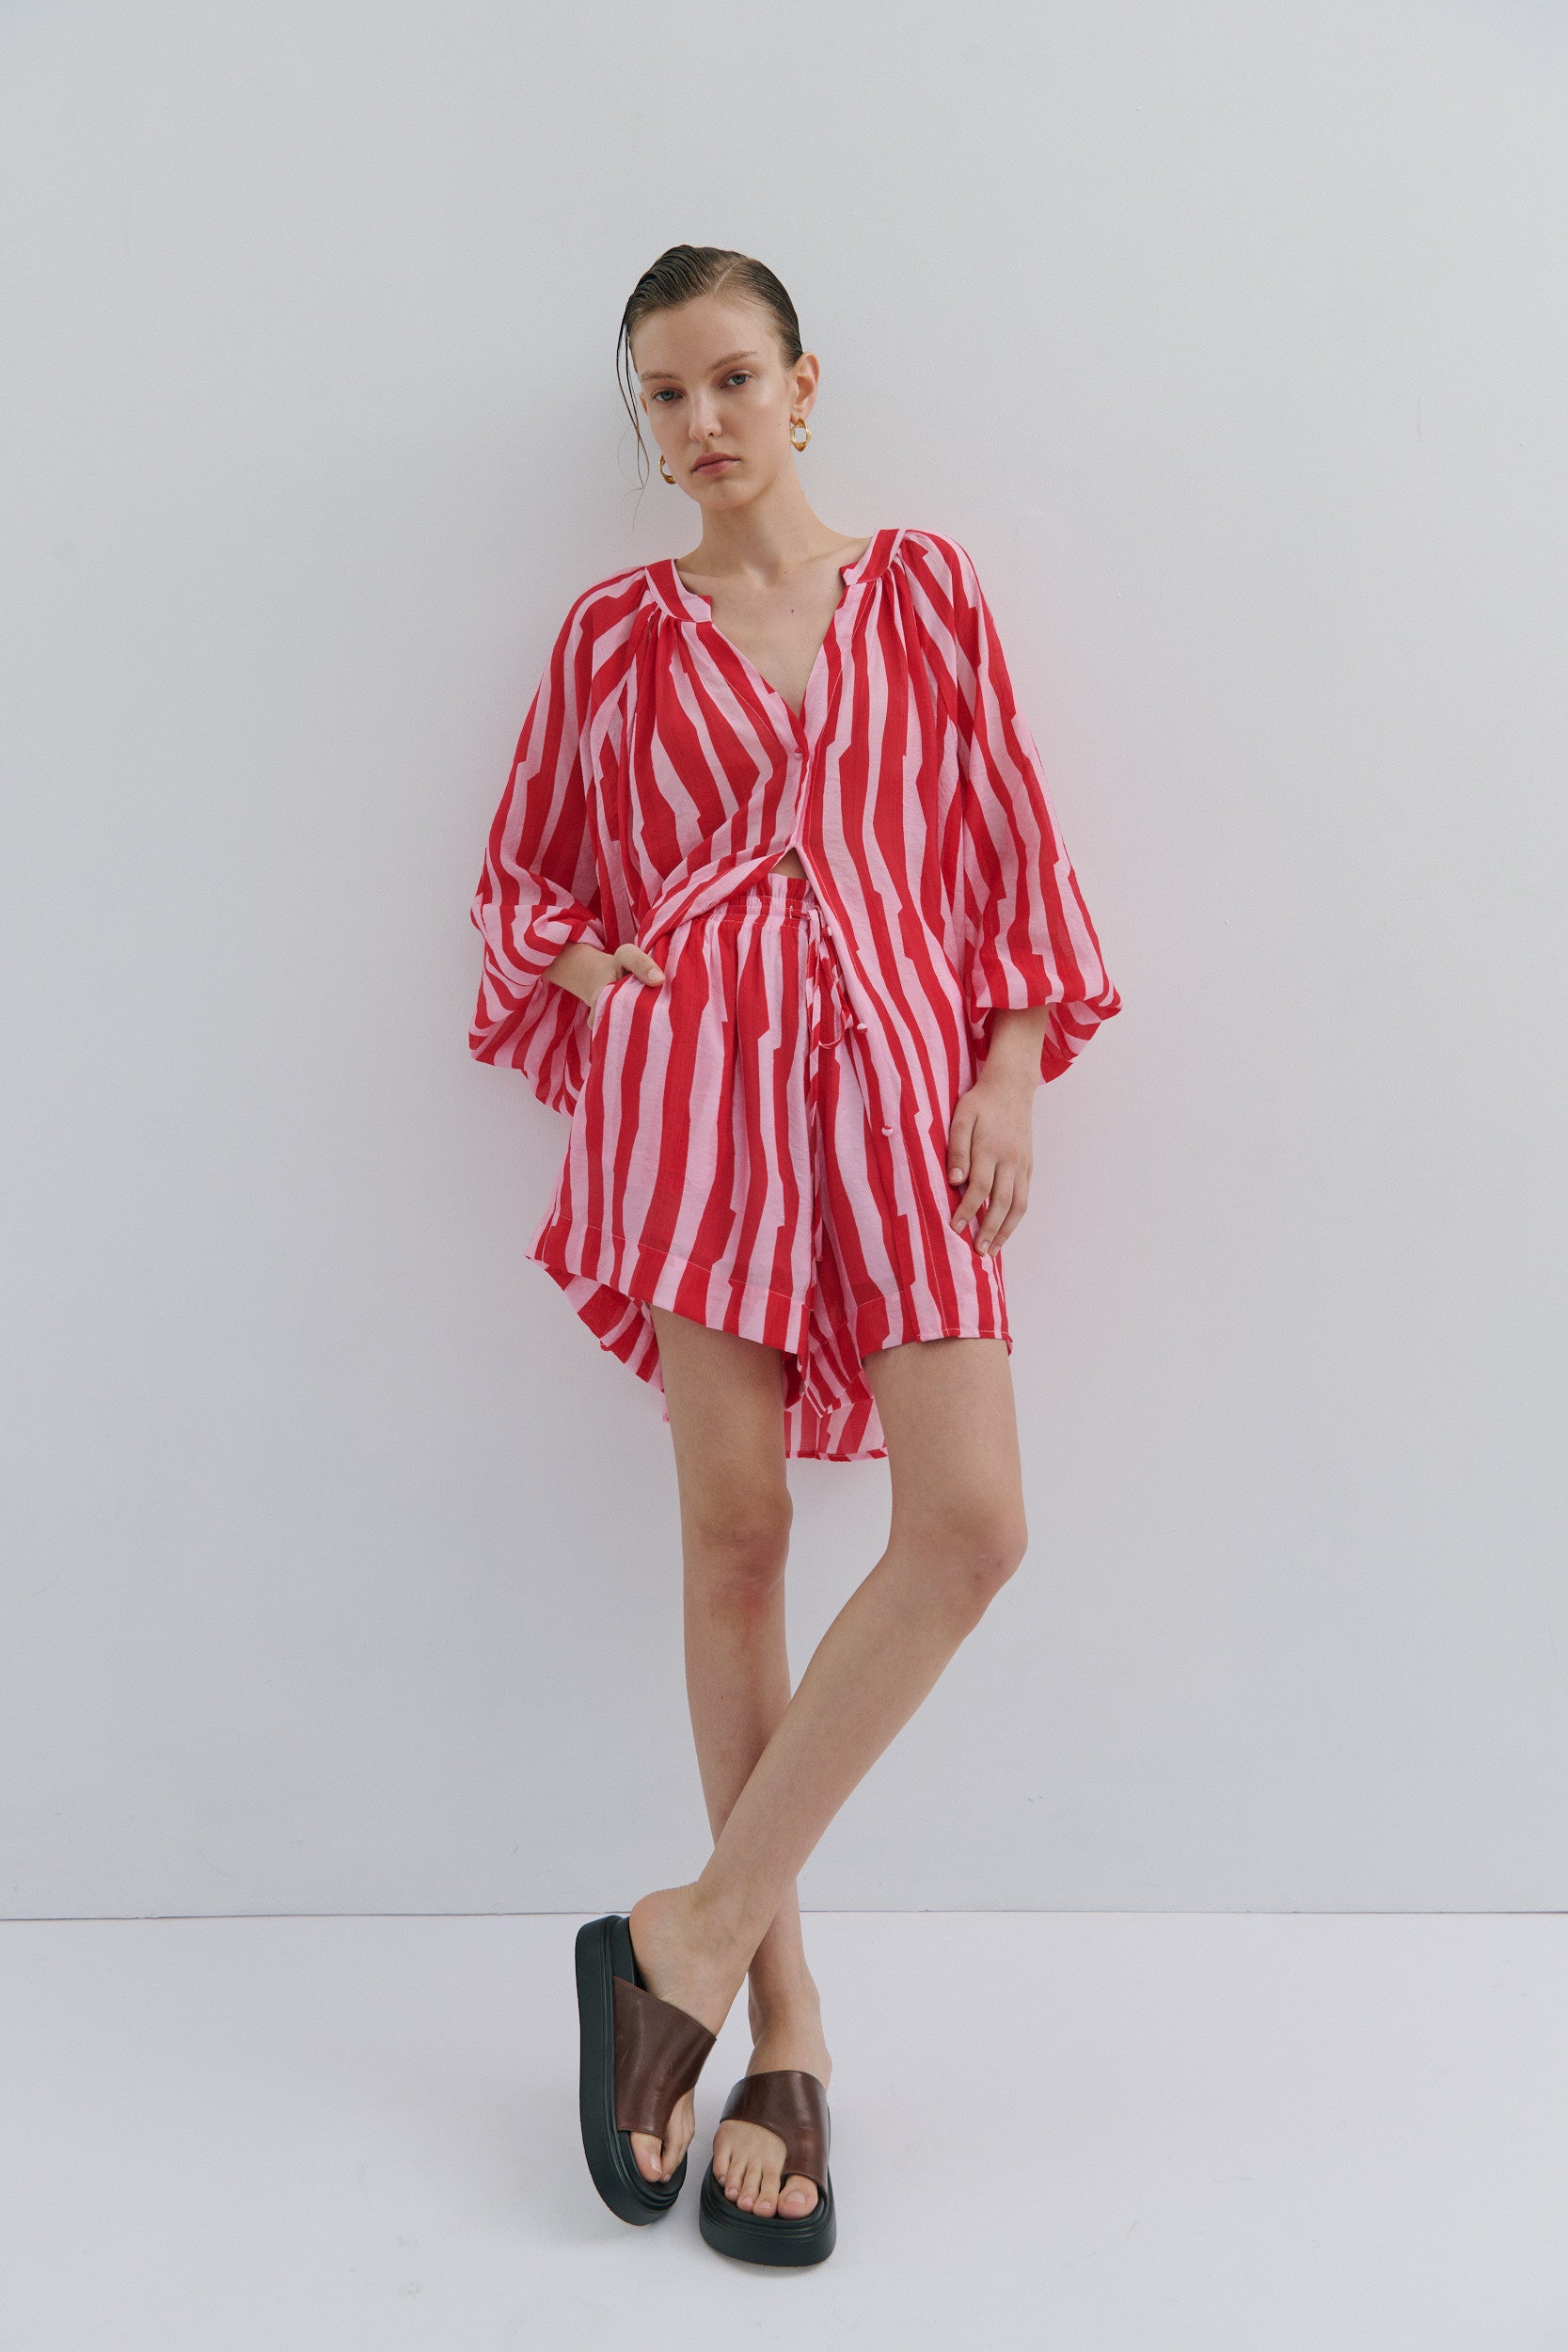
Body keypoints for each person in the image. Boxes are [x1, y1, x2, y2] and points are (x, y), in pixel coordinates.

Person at [467, 244, 1121, 2266]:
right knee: (736, 1539)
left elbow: (1009, 850)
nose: (705, 424)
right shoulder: (609, 637)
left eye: (734, 378)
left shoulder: (921, 593)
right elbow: (524, 882)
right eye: (665, 396)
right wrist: (591, 961)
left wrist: (1007, 1072)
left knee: (972, 1526)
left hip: (907, 1096)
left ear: (807, 385)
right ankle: (785, 2027)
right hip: (695, 1102)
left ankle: (680, 1929)